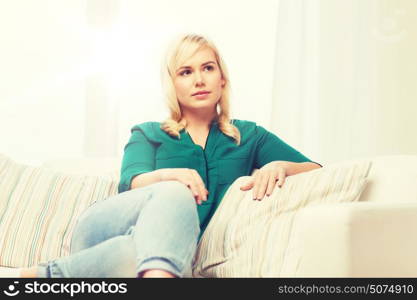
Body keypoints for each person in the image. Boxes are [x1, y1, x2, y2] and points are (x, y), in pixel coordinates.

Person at [15, 33, 322, 278]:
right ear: (173, 85)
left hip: (168, 252)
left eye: (207, 68)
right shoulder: (149, 133)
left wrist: (281, 165)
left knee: (130, 256)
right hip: (105, 229)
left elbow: (316, 169)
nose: (199, 80)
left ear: (222, 78)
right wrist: (169, 177)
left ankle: (35, 277)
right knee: (176, 193)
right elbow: (130, 181)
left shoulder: (249, 136)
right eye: (185, 72)